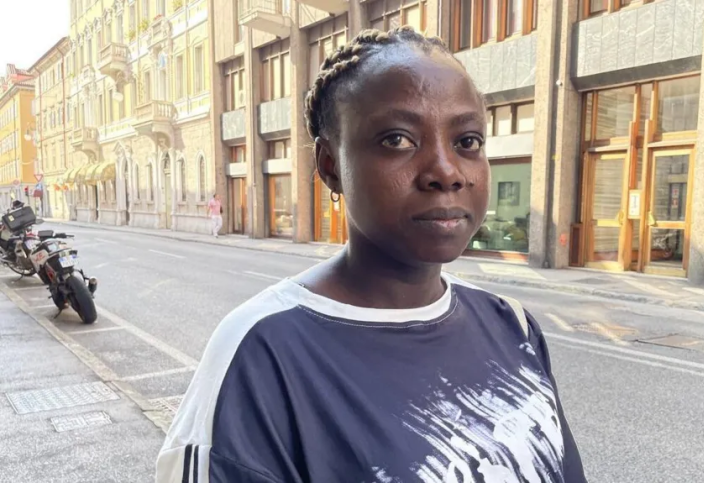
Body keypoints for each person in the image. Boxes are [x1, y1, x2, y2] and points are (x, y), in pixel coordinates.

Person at [156, 26, 587, 483]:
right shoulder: (262, 355)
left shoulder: (511, 324)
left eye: (467, 142)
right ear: (330, 166)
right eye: (397, 139)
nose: (446, 172)